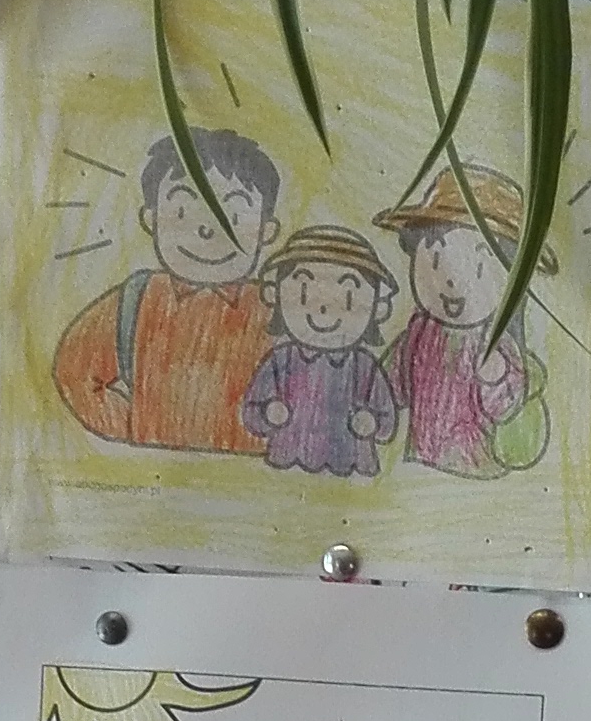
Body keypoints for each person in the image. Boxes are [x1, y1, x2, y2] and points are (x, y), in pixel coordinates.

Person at [50, 129, 281, 454]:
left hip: (255, 476)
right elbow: (75, 372)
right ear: (152, 219)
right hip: (151, 474)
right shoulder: (136, 299)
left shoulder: (274, 308)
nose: (206, 229)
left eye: (234, 216)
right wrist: (129, 428)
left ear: (266, 231)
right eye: (183, 211)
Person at [376, 168, 553, 476]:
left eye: (480, 265)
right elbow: (391, 385)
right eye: (436, 258)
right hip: (421, 467)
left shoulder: (496, 345)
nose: (451, 282)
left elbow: (506, 412)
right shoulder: (417, 332)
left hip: (474, 474)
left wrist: (495, 377)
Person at [240, 225, 399, 479]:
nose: (323, 308)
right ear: (275, 295)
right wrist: (267, 414)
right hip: (285, 467)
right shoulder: (280, 361)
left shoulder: (365, 367)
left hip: (351, 469)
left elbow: (387, 421)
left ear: (377, 308)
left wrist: (372, 423)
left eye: (348, 299)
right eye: (304, 294)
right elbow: (251, 412)